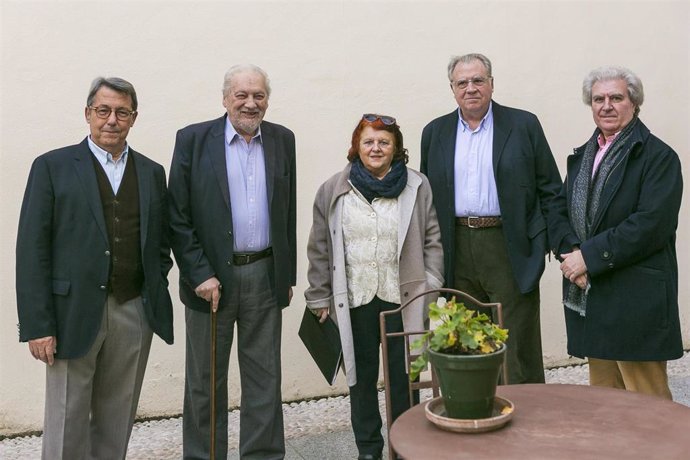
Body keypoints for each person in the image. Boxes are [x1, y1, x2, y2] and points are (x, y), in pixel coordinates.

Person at [15, 77, 174, 459]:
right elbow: (32, 250)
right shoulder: (52, 167)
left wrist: (152, 291)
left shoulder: (151, 172)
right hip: (70, 313)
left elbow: (159, 243)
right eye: (103, 111)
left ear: (133, 118)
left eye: (122, 112)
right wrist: (38, 325)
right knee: (66, 419)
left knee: (117, 419)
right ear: (88, 114)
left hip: (133, 309)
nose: (112, 120)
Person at [168, 64, 296, 459]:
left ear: (267, 100)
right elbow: (177, 215)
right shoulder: (193, 140)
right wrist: (199, 273)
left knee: (264, 378)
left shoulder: (282, 140)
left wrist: (285, 274)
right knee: (206, 381)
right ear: (225, 99)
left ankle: (263, 454)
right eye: (241, 95)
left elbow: (286, 209)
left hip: (264, 274)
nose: (250, 103)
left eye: (258, 95)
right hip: (210, 281)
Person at [420, 53, 566, 384]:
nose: (471, 88)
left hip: (509, 243)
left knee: (515, 341)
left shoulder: (523, 125)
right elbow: (428, 199)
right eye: (462, 82)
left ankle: (524, 419)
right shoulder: (435, 132)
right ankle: (477, 415)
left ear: (491, 83)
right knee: (468, 339)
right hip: (457, 246)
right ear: (452, 88)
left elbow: (550, 189)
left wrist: (544, 240)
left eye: (478, 80)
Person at [306, 114, 444, 460]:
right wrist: (319, 294)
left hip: (404, 299)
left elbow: (432, 240)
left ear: (396, 147)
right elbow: (320, 247)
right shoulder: (334, 189)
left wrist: (433, 285)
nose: (376, 148)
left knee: (404, 380)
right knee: (361, 380)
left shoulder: (417, 185)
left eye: (384, 142)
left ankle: (404, 447)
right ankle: (368, 450)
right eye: (368, 142)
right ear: (357, 146)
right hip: (356, 299)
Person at [555, 66, 683, 399]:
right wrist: (571, 255)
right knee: (605, 403)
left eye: (616, 98)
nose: (606, 106)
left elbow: (651, 225)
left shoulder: (658, 157)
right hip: (594, 296)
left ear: (634, 103)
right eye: (598, 99)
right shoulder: (585, 156)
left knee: (647, 404)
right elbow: (561, 211)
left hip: (635, 298)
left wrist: (588, 258)